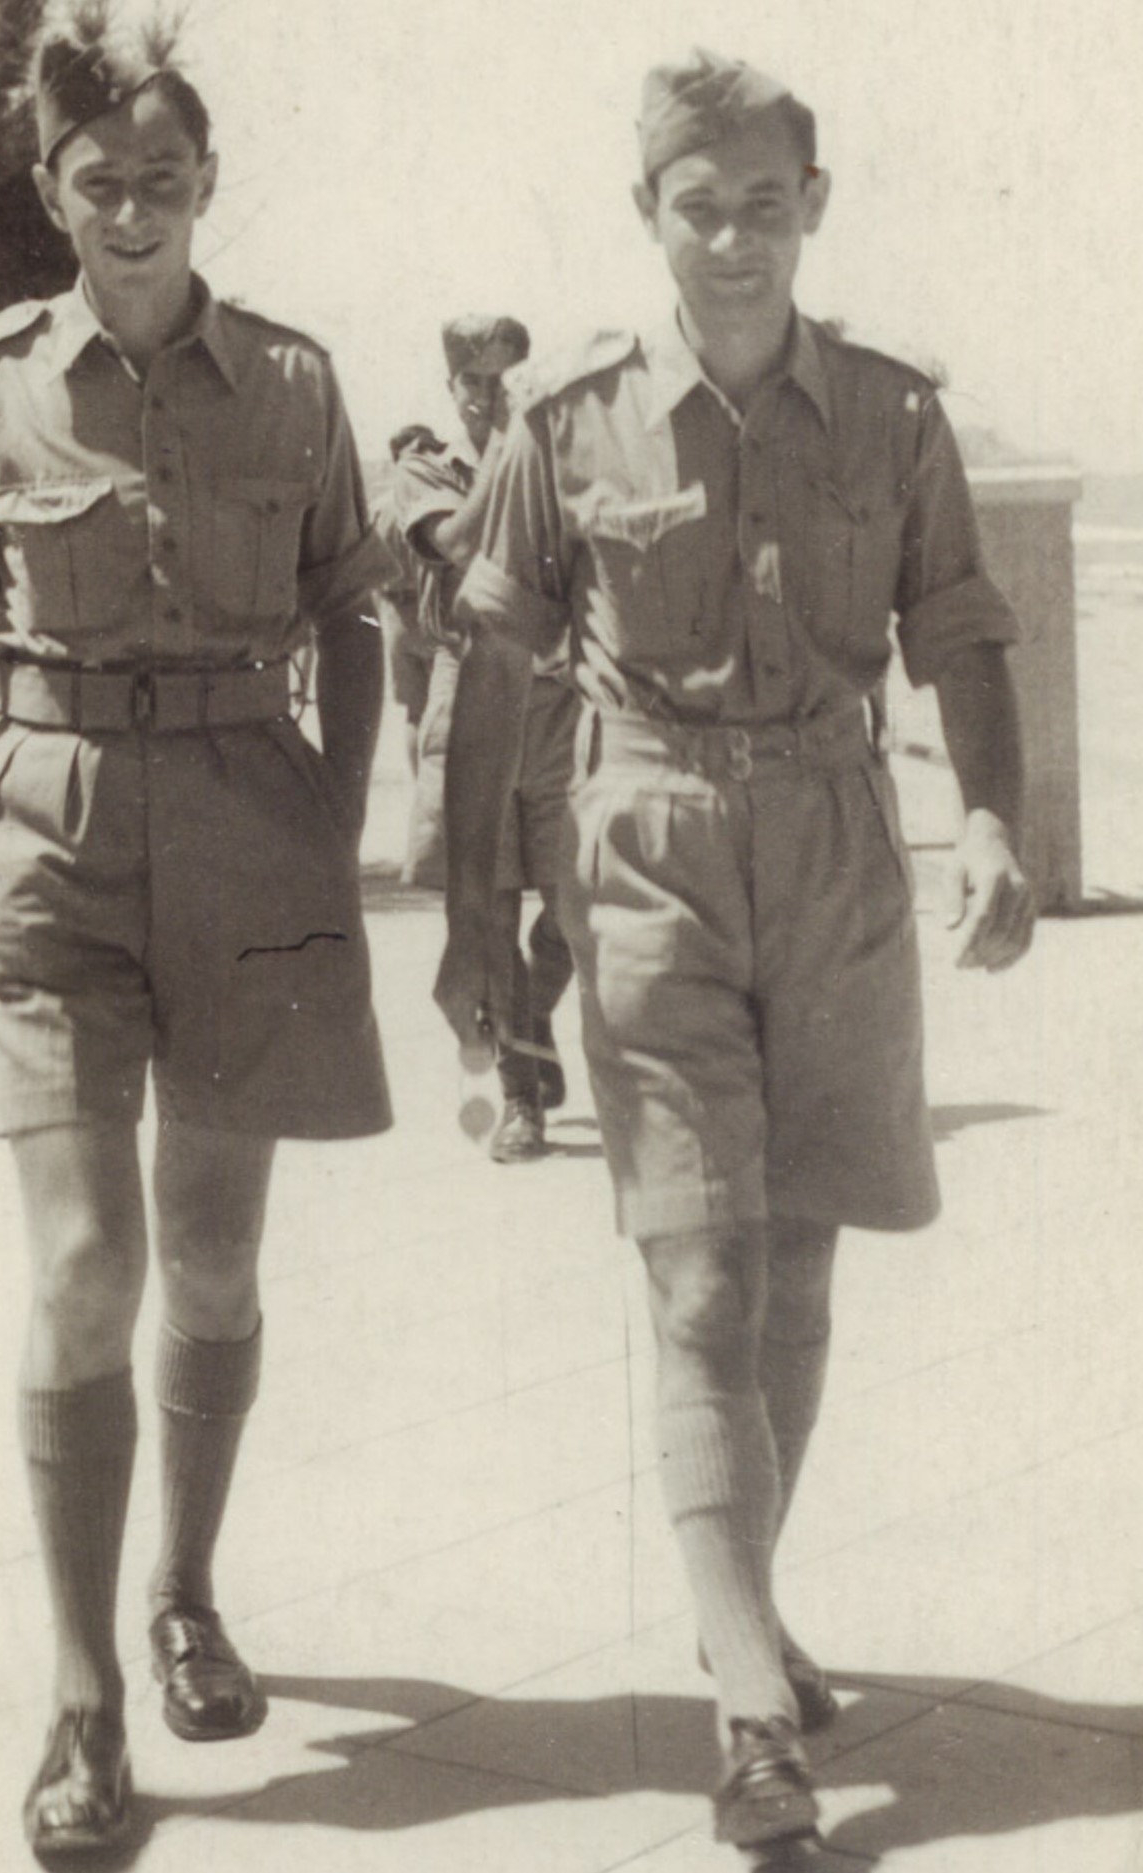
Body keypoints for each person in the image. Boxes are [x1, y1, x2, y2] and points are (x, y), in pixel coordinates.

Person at [435, 51, 1035, 1861]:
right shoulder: (568, 425)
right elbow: (490, 673)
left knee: (799, 1269)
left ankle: (739, 1608)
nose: (733, 240)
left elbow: (959, 628)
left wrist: (991, 820)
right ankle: (753, 1715)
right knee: (701, 1281)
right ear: (650, 214)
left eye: (765, 205)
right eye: (698, 208)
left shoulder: (896, 416)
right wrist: (476, 920)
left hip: (839, 845)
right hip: (651, 851)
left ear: (812, 207)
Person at [0, 5, 391, 1854]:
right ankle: (82, 1700)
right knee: (88, 1262)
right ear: (51, 194)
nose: (134, 211)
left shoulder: (297, 384)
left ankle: (185, 1596)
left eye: (164, 179)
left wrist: (330, 822)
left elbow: (354, 610)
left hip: (248, 833)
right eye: (100, 184)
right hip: (49, 847)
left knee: (213, 1263)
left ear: (207, 184)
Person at [395, 315, 578, 1160]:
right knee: (489, 909)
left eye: (503, 381)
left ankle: (533, 1012)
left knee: (582, 903)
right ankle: (519, 1098)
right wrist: (511, 443)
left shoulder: (562, 455)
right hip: (471, 690)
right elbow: (458, 539)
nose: (487, 396)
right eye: (472, 382)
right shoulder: (426, 467)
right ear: (451, 387)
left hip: (562, 701)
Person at [371, 423, 443, 781]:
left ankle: (421, 787)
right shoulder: (431, 503)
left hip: (396, 614)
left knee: (415, 713)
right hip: (433, 609)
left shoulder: (378, 508)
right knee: (445, 710)